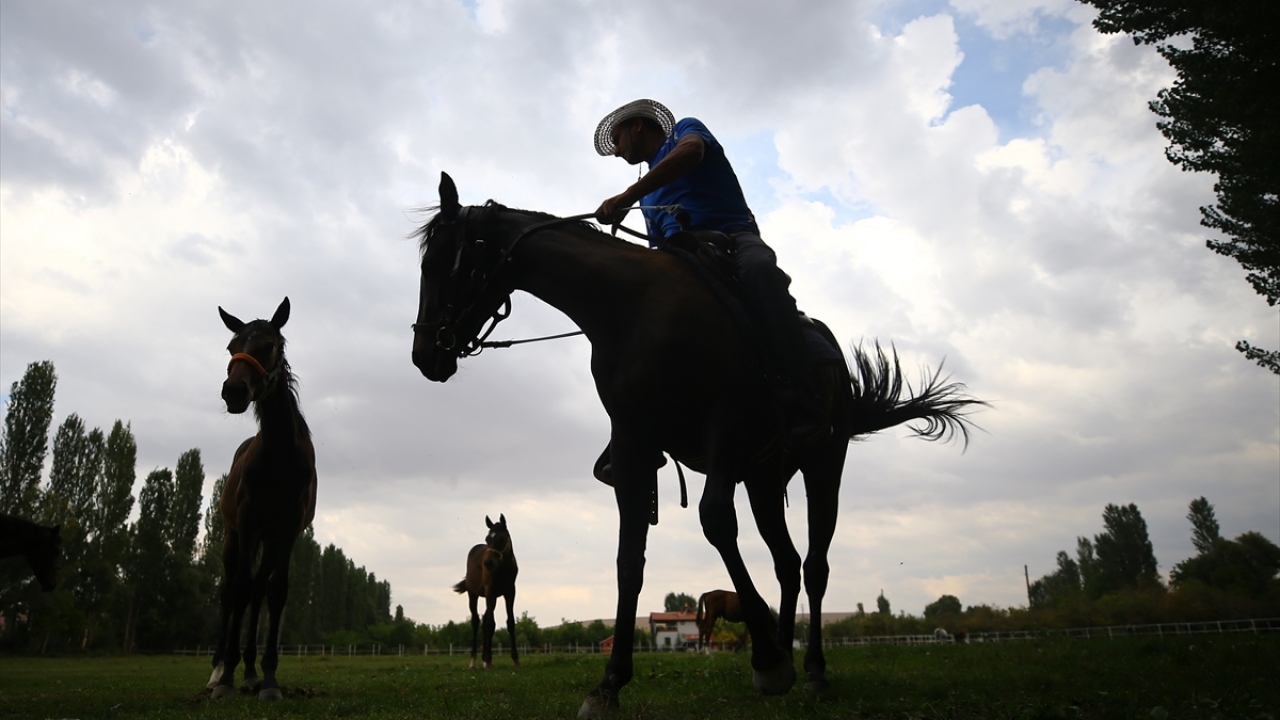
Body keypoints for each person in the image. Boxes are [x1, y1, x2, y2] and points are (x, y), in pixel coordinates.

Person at [593, 99, 828, 446]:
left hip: (732, 238)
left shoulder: (686, 132)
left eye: (617, 139)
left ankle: (798, 392)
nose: (616, 151)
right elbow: (657, 248)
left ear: (636, 125)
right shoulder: (645, 199)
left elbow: (692, 154)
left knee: (759, 270)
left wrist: (628, 195)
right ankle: (633, 424)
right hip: (681, 253)